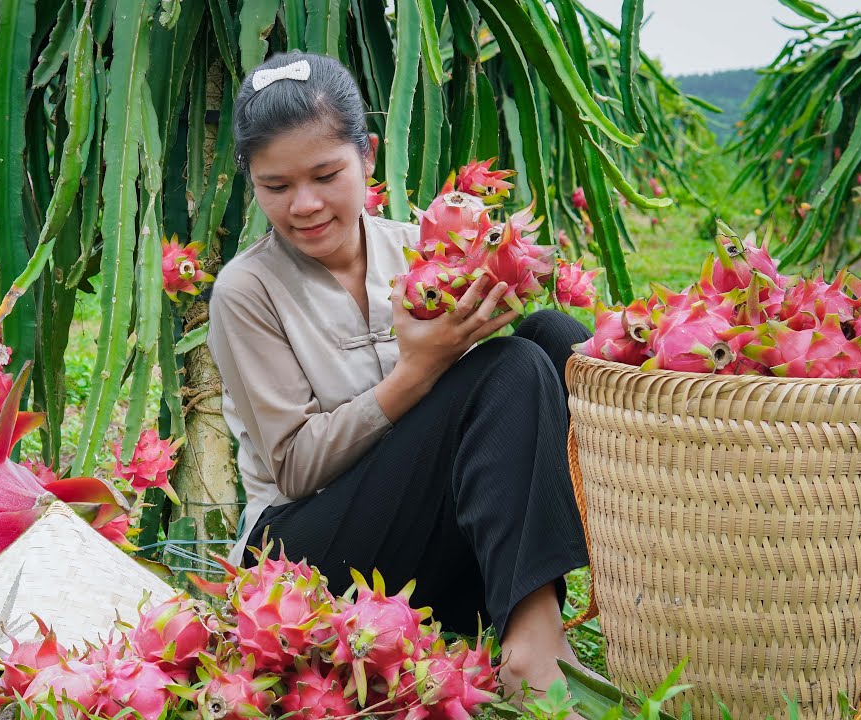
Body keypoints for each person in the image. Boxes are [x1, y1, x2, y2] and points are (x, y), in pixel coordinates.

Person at [205, 51, 595, 701]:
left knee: (553, 338)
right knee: (511, 366)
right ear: (253, 183)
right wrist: (419, 369)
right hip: (300, 558)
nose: (303, 205)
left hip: (413, 550)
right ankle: (532, 649)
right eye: (276, 186)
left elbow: (485, 416)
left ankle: (636, 584)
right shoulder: (247, 291)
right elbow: (296, 469)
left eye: (326, 174)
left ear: (368, 155)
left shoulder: (417, 245)